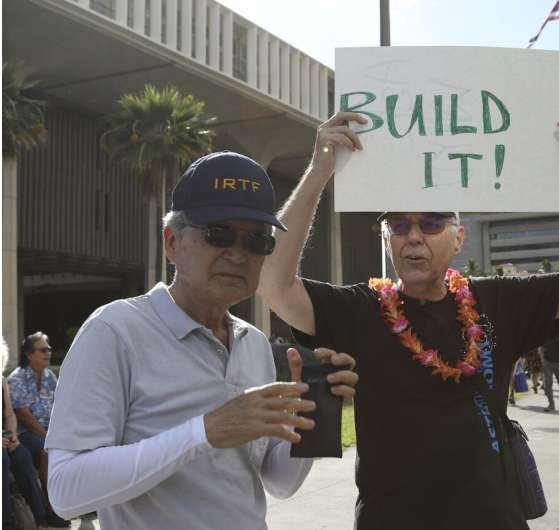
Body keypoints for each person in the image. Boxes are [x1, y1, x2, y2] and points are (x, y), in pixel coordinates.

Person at [257, 111, 559, 528]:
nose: (413, 236)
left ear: (458, 238)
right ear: (387, 240)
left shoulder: (497, 300)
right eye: (399, 225)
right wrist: (318, 172)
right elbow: (273, 282)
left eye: (430, 223)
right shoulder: (359, 309)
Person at [44, 151, 358, 530]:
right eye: (218, 234)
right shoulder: (115, 331)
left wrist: (316, 410)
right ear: (171, 243)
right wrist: (204, 431)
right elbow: (66, 491)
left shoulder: (254, 344)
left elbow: (279, 482)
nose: (238, 254)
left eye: (257, 241)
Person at [7, 332, 69, 527]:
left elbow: (61, 405)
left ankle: (76, 502)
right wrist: (50, 436)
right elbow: (23, 415)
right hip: (28, 433)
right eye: (43, 350)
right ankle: (51, 508)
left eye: (49, 349)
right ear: (29, 354)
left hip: (49, 431)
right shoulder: (17, 378)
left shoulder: (50, 376)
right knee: (47, 450)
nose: (48, 353)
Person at [2, 338, 48, 530]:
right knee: (2, 460)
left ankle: (39, 518)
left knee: (22, 456)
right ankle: (6, 522)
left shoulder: (1, 381)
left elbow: (9, 414)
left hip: (5, 436)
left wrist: (12, 434)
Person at [540, 324, 559, 411]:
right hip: (547, 362)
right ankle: (551, 404)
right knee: (548, 383)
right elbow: (540, 346)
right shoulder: (544, 333)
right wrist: (542, 359)